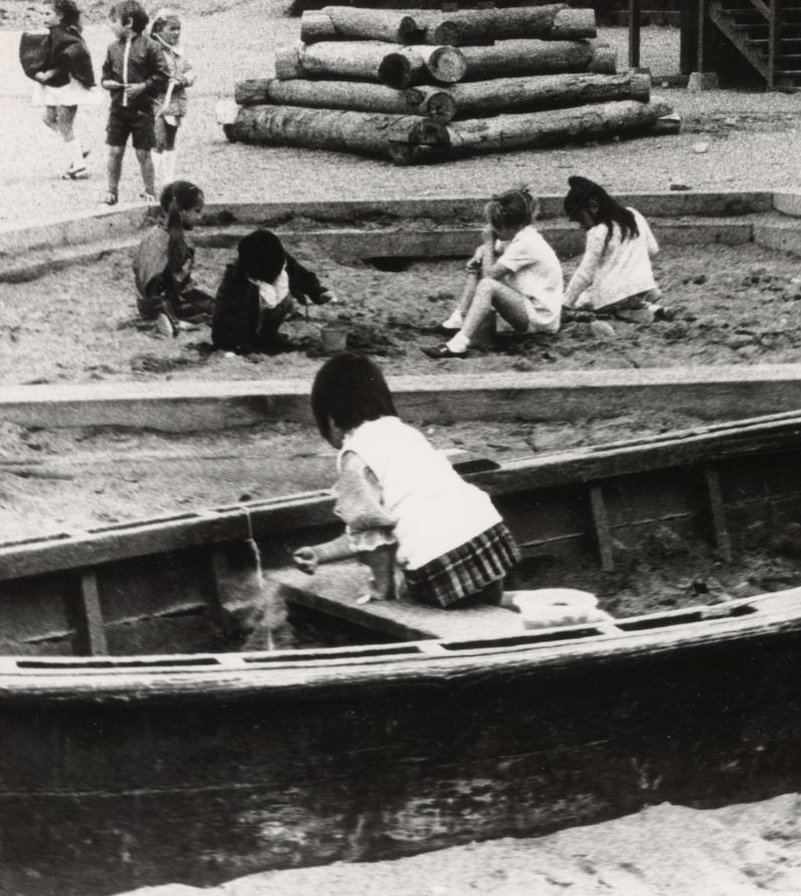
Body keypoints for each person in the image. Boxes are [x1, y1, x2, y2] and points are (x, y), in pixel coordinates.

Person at [292, 353, 520, 608]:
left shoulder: (355, 455)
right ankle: (499, 602)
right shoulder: (402, 432)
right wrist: (321, 553)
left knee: (415, 587)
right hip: (489, 537)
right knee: (479, 601)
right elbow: (380, 523)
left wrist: (383, 588)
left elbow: (371, 531)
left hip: (438, 559)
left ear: (331, 418)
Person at [425, 186, 563, 359]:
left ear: (509, 225)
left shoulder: (527, 243)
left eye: (497, 226)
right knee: (483, 267)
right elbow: (487, 251)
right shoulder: (518, 235)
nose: (493, 230)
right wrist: (480, 253)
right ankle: (457, 319)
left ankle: (459, 344)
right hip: (529, 307)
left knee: (488, 285)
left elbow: (489, 275)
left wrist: (488, 242)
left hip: (541, 318)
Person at [560, 175, 666, 331]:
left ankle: (626, 311)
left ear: (593, 206)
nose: (581, 225)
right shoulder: (633, 214)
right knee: (626, 297)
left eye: (580, 218)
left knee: (582, 302)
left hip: (612, 295)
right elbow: (652, 249)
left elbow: (585, 273)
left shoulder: (598, 231)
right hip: (641, 286)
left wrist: (565, 304)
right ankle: (651, 307)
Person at [211, 229, 335, 355]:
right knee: (239, 328)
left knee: (285, 300)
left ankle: (268, 336)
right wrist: (246, 350)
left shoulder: (279, 259)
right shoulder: (236, 281)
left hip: (260, 313)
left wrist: (318, 293)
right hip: (234, 331)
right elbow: (234, 319)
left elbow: (301, 276)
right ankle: (254, 341)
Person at [98, 0, 169, 206]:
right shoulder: (112, 48)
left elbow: (163, 75)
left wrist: (144, 86)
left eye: (113, 21)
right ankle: (111, 191)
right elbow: (105, 73)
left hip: (142, 110)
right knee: (114, 151)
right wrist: (106, 83)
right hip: (118, 109)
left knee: (143, 153)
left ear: (128, 22)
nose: (111, 26)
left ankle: (149, 192)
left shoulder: (151, 47)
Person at [21, 0, 95, 180]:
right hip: (56, 85)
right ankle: (77, 148)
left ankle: (79, 166)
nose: (43, 17)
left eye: (48, 14)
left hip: (67, 85)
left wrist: (50, 73)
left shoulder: (64, 33)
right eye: (42, 13)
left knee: (64, 123)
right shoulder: (56, 32)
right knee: (48, 118)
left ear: (60, 16)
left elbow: (71, 56)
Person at [133, 180, 215, 338]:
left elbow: (138, 271)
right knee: (209, 306)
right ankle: (171, 321)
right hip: (162, 303)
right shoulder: (178, 244)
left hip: (144, 304)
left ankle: (167, 318)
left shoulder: (151, 236)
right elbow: (184, 287)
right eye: (197, 211)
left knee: (204, 307)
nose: (200, 217)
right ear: (182, 212)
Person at [148, 8, 195, 189]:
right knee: (157, 140)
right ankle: (150, 183)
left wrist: (183, 79)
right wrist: (163, 81)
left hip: (175, 102)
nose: (176, 33)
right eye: (171, 29)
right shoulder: (152, 49)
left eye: (178, 29)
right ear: (159, 30)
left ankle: (168, 181)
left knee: (170, 141)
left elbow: (190, 70)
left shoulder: (179, 51)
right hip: (157, 101)